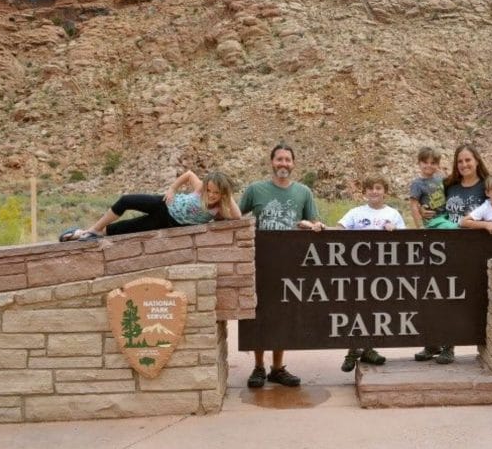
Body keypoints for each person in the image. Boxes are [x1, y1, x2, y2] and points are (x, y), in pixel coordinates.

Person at [239, 143, 325, 389]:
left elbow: (314, 221)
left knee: (282, 316)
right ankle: (258, 367)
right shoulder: (255, 190)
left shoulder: (303, 192)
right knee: (257, 314)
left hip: (290, 264)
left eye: (288, 160)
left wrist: (314, 226)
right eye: (279, 159)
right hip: (259, 263)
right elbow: (236, 215)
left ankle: (277, 368)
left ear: (294, 164)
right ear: (271, 162)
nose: (284, 164)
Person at [416, 143, 490, 365]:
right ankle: (434, 343)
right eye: (460, 161)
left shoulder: (487, 186)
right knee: (437, 294)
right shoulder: (449, 185)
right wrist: (423, 210)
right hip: (445, 248)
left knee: (462, 298)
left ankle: (450, 344)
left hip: (475, 248)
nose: (464, 164)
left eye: (468, 160)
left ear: (476, 161)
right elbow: (434, 207)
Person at [336, 175, 405, 372]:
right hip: (357, 272)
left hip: (383, 273)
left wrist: (395, 231)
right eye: (370, 188)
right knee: (355, 310)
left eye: (378, 187)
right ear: (364, 192)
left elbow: (406, 240)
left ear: (385, 191)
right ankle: (351, 351)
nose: (374, 191)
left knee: (375, 311)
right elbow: (340, 229)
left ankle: (368, 349)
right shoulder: (355, 213)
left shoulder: (393, 214)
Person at [58, 170, 241, 241]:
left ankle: (79, 235)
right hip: (164, 204)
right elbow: (188, 174)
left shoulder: (219, 209)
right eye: (210, 191)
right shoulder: (201, 188)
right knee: (126, 201)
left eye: (217, 193)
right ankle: (93, 230)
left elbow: (238, 217)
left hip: (168, 223)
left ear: (223, 194)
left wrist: (228, 194)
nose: (211, 195)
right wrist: (171, 189)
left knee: (124, 228)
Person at [408, 146, 455, 229]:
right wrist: (420, 226)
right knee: (451, 228)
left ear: (438, 164)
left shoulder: (441, 178)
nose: (429, 165)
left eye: (433, 163)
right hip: (432, 220)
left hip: (445, 215)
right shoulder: (417, 184)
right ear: (419, 163)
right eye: (425, 162)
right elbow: (413, 206)